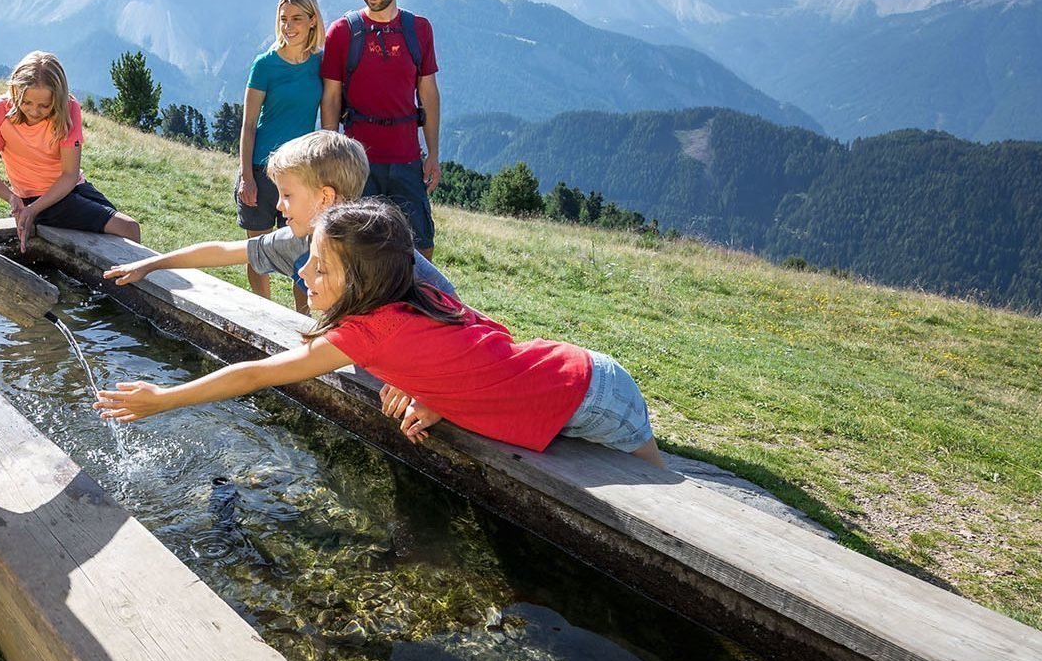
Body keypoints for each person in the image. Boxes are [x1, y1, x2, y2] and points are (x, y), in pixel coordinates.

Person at [97, 199, 665, 469]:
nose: (303, 274)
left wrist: (163, 399)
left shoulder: (370, 333)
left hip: (595, 396)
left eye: (320, 267)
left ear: (362, 281)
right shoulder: (408, 296)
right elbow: (483, 343)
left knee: (660, 493)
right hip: (580, 373)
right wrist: (435, 397)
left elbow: (258, 374)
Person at [102, 130, 454, 310]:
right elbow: (224, 251)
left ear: (325, 198)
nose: (280, 207)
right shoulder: (299, 239)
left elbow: (450, 308)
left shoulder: (383, 251)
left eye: (288, 195)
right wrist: (151, 264)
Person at [320, 0, 442, 261]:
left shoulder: (419, 30)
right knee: (358, 250)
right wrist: (332, 155)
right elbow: (331, 96)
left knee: (421, 249)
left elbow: (427, 92)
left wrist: (434, 154)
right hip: (358, 162)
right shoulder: (342, 32)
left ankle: (415, 309)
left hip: (407, 159)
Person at [0, 51, 141, 251]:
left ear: (57, 99)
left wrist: (32, 211)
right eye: (26, 102)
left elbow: (70, 174)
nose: (34, 111)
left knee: (122, 236)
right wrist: (14, 199)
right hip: (36, 198)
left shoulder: (69, 109)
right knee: (128, 228)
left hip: (72, 187)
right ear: (15, 91)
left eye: (44, 106)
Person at [237, 0, 325, 309]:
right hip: (261, 172)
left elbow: (328, 124)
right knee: (258, 252)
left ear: (313, 20)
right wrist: (246, 175)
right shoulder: (264, 65)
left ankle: (300, 321)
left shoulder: (321, 66)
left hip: (301, 176)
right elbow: (248, 125)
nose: (289, 26)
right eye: (284, 19)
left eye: (297, 19)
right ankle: (265, 314)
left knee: (303, 257)